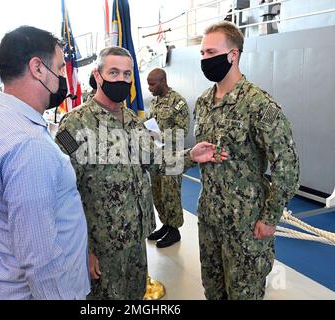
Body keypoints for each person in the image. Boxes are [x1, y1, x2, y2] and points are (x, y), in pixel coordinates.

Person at [54, 46, 226, 300]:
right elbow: (63, 192)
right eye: (113, 72)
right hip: (102, 244)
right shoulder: (75, 123)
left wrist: (191, 156)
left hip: (136, 237)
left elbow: (155, 161)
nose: (121, 80)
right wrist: (83, 249)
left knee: (135, 295)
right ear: (98, 75)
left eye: (127, 74)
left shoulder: (132, 120)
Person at [0, 26, 90, 300]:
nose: (62, 76)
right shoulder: (28, 146)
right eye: (59, 67)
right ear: (37, 68)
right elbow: (41, 259)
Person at [195, 21, 299, 300]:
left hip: (246, 224)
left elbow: (286, 166)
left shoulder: (258, 104)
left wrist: (269, 218)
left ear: (233, 54)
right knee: (213, 291)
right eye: (202, 53)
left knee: (244, 294)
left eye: (211, 52)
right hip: (209, 219)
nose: (205, 59)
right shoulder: (204, 102)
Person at [146, 68, 190, 248]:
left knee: (170, 194)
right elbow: (151, 123)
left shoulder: (178, 102)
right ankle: (165, 224)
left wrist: (159, 137)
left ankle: (174, 231)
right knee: (158, 193)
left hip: (173, 157)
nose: (149, 88)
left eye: (152, 84)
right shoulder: (154, 102)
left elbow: (183, 131)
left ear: (163, 81)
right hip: (157, 157)